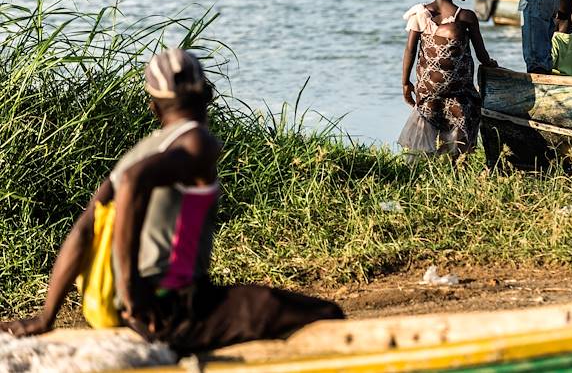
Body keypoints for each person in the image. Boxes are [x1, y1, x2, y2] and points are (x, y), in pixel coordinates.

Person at [0, 49, 344, 351]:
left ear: (153, 107)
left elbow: (82, 232)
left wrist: (47, 316)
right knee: (326, 315)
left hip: (134, 309)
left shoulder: (137, 154)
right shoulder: (199, 143)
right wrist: (132, 288)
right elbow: (137, 182)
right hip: (171, 309)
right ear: (207, 95)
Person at [400, 0, 498, 159]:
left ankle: (436, 166)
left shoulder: (421, 15)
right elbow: (481, 54)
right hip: (459, 90)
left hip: (429, 89)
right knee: (462, 124)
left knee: (429, 127)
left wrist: (406, 82)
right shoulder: (466, 17)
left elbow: (410, 51)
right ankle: (458, 163)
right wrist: (490, 64)